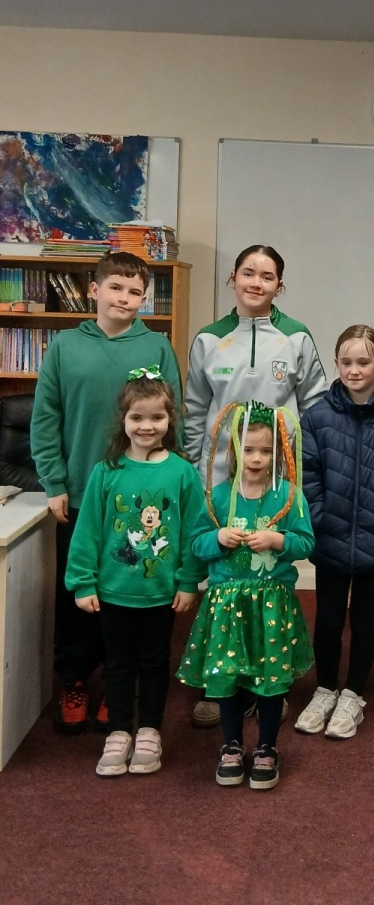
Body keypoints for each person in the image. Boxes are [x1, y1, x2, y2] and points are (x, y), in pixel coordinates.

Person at [31, 250, 183, 734]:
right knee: (79, 593)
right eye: (115, 287)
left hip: (141, 500)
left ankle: (120, 687)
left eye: (135, 291)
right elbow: (46, 418)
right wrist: (54, 482)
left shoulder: (157, 347)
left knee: (130, 595)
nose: (125, 298)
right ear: (94, 290)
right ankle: (74, 679)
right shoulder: (64, 346)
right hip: (79, 492)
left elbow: (173, 419)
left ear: (144, 299)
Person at [183, 243, 326, 727]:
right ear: (233, 278)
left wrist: (305, 470)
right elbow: (195, 408)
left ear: (279, 286)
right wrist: (197, 467)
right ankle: (221, 680)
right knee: (224, 574)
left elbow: (315, 405)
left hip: (276, 476)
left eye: (267, 276)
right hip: (223, 475)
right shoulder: (209, 338)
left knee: (269, 577)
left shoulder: (296, 337)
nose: (256, 282)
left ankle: (268, 678)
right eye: (248, 273)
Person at [64, 371, 205, 776]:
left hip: (161, 593)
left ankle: (150, 731)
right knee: (118, 664)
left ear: (170, 420)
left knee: (155, 663)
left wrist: (188, 580)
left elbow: (194, 531)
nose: (147, 426)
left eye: (156, 417)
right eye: (137, 417)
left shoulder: (182, 472)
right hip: (113, 592)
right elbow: (87, 532)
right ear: (123, 419)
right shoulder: (106, 471)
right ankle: (119, 731)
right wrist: (82, 582)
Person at [295, 325, 374, 740]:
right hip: (330, 536)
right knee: (328, 617)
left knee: (365, 617)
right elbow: (307, 476)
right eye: (346, 362)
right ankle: (324, 689)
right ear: (336, 363)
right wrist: (317, 520)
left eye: (364, 362)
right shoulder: (317, 417)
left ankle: (352, 694)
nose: (354, 370)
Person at [177, 401, 314, 790]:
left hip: (272, 606)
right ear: (234, 450)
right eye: (249, 449)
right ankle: (232, 746)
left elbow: (306, 543)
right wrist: (218, 537)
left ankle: (267, 747)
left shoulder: (289, 496)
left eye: (265, 450)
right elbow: (196, 544)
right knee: (228, 677)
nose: (256, 458)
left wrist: (278, 540)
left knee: (271, 680)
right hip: (226, 606)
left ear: (278, 453)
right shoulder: (218, 496)